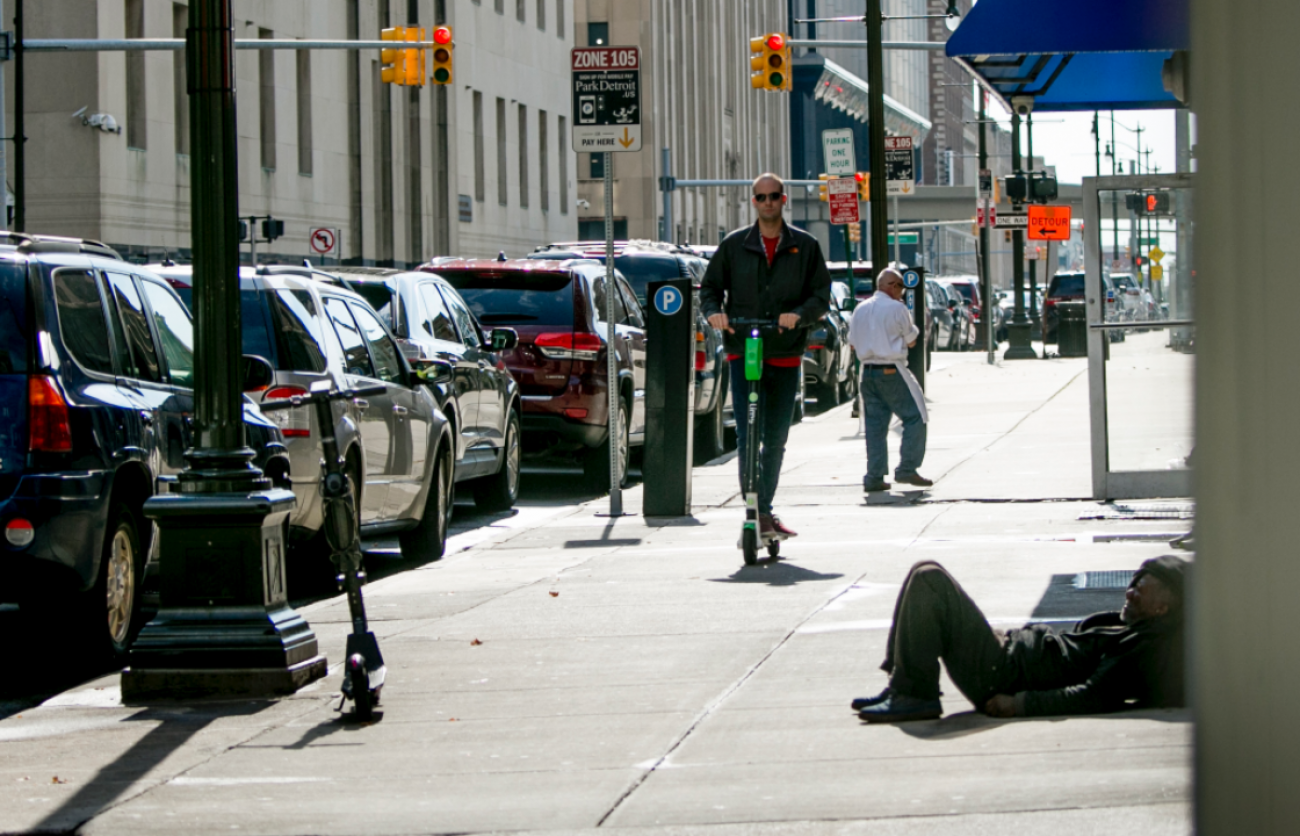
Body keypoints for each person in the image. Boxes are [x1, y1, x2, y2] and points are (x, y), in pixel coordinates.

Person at [855, 556, 1189, 723]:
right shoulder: (1129, 629)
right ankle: (904, 685)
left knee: (930, 580)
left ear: (1162, 609)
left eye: (1140, 592)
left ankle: (915, 695)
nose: (1129, 593)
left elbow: (1092, 696)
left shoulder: (1142, 648)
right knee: (923, 569)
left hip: (1003, 674)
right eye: (1133, 584)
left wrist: (1020, 704)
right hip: (1007, 657)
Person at [700, 173, 831, 540]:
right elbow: (709, 289)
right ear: (753, 202)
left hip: (785, 352)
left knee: (774, 438)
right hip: (743, 350)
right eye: (761, 197)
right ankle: (753, 509)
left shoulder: (804, 246)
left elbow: (821, 295)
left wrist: (799, 315)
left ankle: (765, 509)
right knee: (746, 433)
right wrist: (715, 313)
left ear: (783, 200)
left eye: (774, 196)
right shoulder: (734, 245)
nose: (768, 202)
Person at [847, 268, 930, 491]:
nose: (902, 291)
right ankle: (907, 468)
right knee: (916, 416)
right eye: (900, 286)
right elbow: (911, 341)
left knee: (874, 427)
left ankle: (874, 476)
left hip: (867, 372)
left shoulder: (860, 308)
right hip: (892, 369)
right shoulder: (897, 308)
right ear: (891, 286)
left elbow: (852, 342)